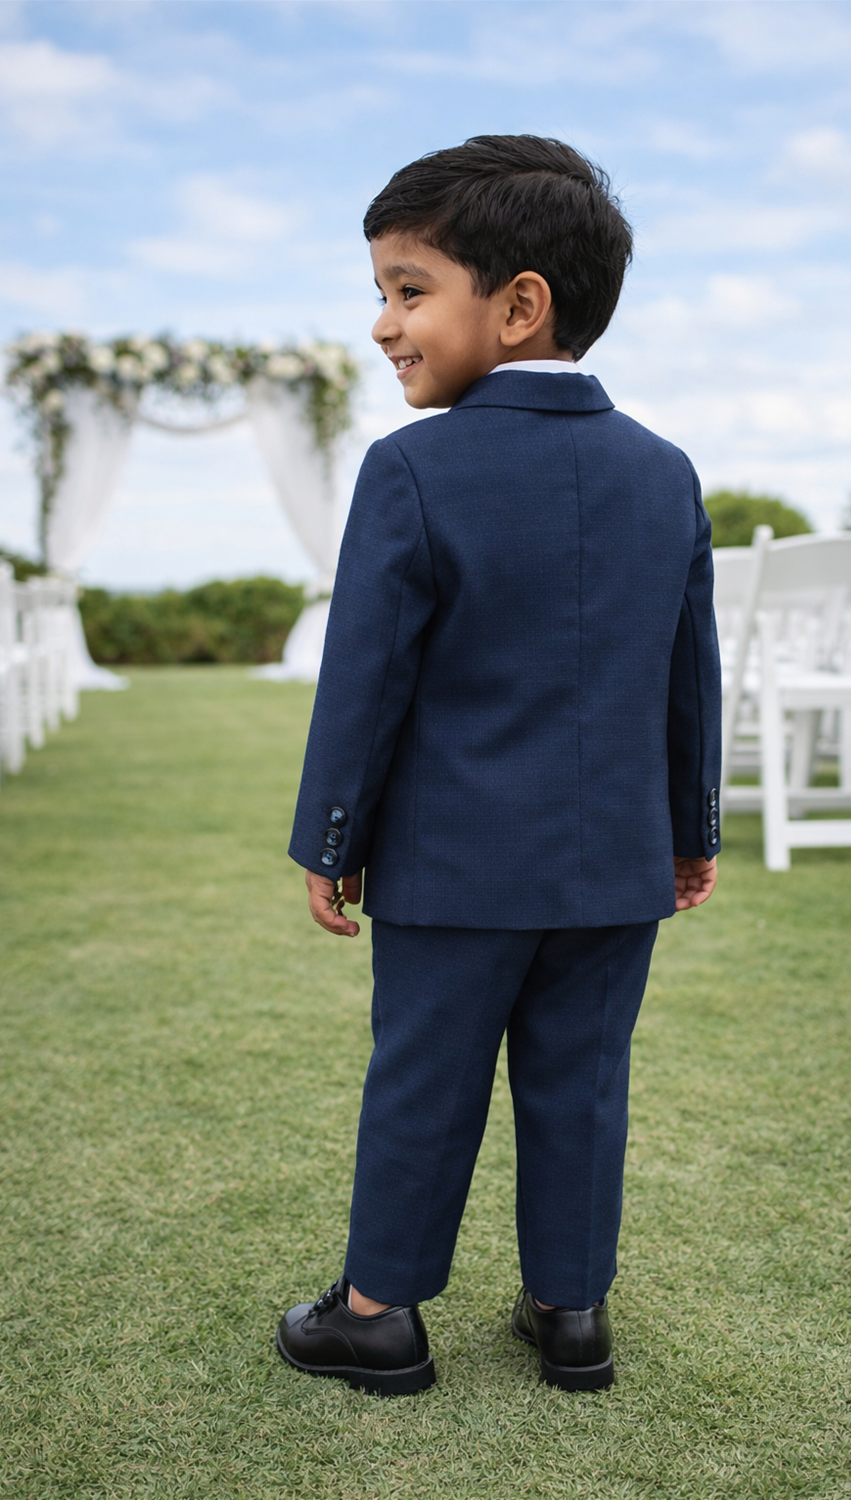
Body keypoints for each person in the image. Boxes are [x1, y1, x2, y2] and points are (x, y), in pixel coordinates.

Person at [276, 135, 721, 1397]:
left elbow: (367, 683)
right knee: (582, 1084)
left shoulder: (410, 469)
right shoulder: (664, 472)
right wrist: (691, 830)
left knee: (424, 1078)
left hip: (451, 864)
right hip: (613, 864)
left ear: (519, 303)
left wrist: (331, 840)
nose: (381, 324)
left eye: (408, 289)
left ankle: (376, 1317)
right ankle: (569, 1313)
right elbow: (690, 675)